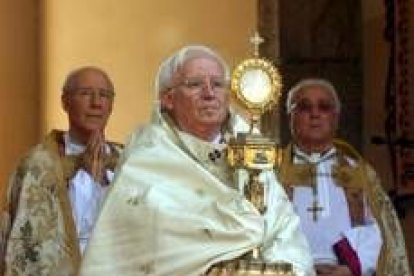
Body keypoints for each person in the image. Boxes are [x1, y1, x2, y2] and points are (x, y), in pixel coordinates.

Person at [80, 45, 314, 275]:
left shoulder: (253, 155)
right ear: (168, 99)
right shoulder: (146, 162)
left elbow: (284, 230)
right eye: (195, 84)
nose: (209, 93)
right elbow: (147, 249)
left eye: (218, 84)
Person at [278, 78, 411, 275]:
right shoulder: (271, 173)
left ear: (336, 117)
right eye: (305, 107)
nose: (315, 114)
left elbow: (381, 232)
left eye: (324, 107)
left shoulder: (360, 173)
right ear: (290, 116)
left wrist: (352, 269)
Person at [0, 66, 123, 275]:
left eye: (104, 95)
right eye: (85, 94)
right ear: (65, 102)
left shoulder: (128, 162)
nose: (96, 103)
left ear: (111, 105)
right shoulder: (37, 166)